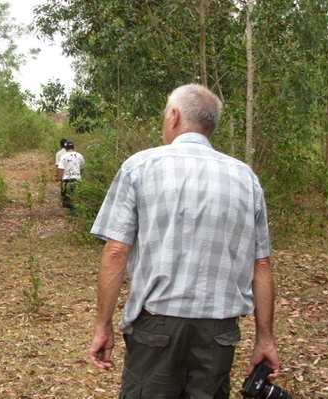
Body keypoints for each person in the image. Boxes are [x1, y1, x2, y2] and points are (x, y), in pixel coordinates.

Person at [88, 84, 279, 398]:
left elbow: (116, 251)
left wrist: (103, 325)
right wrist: (265, 339)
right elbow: (261, 264)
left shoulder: (140, 167)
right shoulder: (246, 177)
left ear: (173, 117)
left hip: (157, 328)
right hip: (218, 334)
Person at [57, 140, 85, 211]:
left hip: (67, 181)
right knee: (76, 198)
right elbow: (82, 168)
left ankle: (68, 214)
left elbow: (61, 170)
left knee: (66, 200)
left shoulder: (63, 156)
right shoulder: (79, 155)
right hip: (77, 180)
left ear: (65, 148)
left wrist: (59, 179)